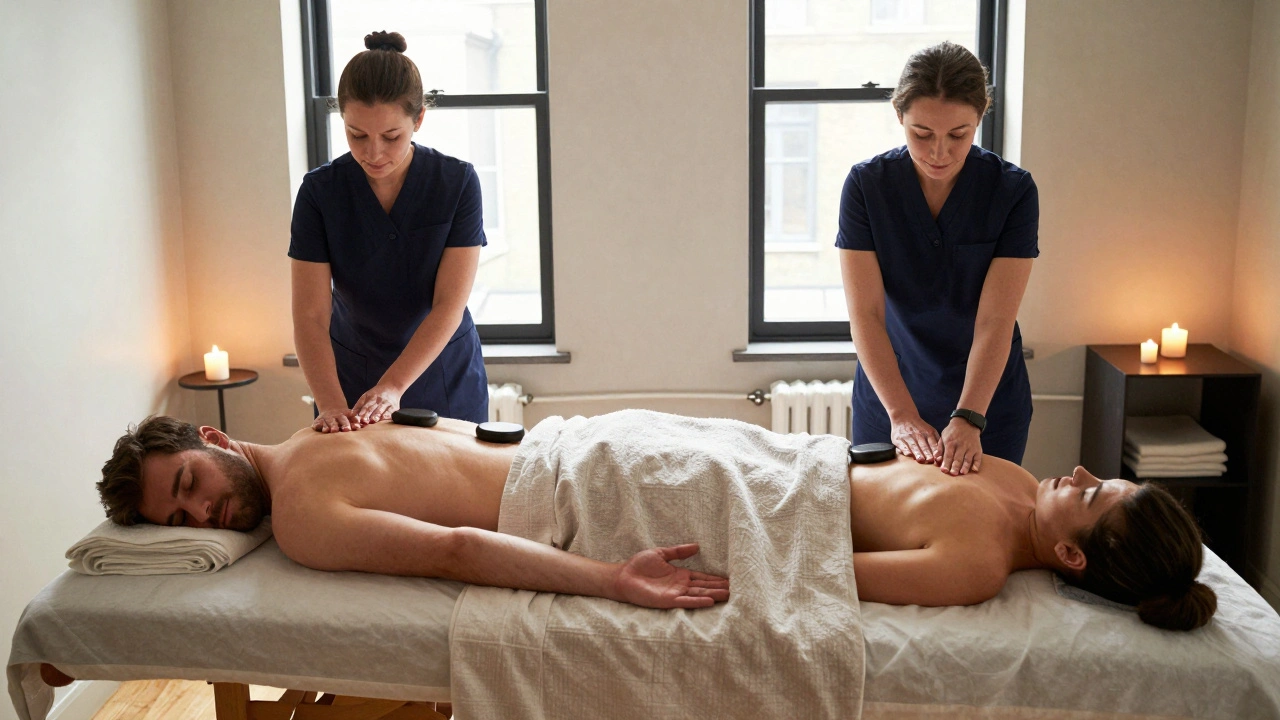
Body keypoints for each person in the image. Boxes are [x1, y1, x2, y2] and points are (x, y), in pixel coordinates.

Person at [97, 412, 1216, 630]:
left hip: (592, 459)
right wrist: (601, 578)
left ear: (210, 438)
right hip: (578, 482)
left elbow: (821, 569)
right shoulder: (306, 497)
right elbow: (453, 549)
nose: (205, 509)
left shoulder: (334, 428)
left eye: (190, 486)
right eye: (183, 517)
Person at [838, 41, 1038, 475]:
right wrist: (902, 415)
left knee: (984, 533)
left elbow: (995, 322)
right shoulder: (866, 187)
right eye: (921, 134)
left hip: (987, 406)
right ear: (899, 117)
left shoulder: (1013, 192)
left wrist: (969, 417)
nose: (939, 152)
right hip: (890, 399)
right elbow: (866, 315)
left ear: (981, 117)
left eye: (958, 135)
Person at [290, 30, 489, 434]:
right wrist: (329, 404)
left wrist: (394, 386)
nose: (373, 152)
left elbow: (449, 304)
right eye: (356, 135)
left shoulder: (458, 182)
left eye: (391, 136)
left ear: (418, 120)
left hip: (441, 367)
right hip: (349, 376)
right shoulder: (319, 192)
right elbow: (310, 315)